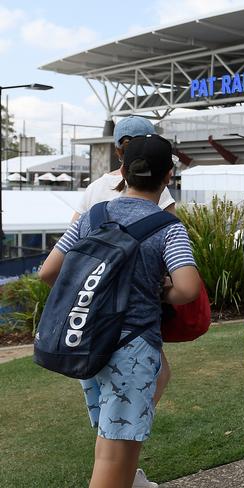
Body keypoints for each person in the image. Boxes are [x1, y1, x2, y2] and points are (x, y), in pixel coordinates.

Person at [39, 133, 201, 488]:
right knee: (116, 449)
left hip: (89, 339)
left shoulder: (93, 217)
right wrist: (161, 292)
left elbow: (48, 271)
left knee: (115, 442)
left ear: (122, 172)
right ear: (168, 177)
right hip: (133, 346)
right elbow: (188, 287)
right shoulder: (167, 228)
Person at [72, 116, 175, 488]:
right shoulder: (160, 205)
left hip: (90, 324)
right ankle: (126, 474)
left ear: (119, 151)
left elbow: (62, 261)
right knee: (145, 388)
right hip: (133, 329)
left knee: (110, 423)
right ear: (166, 175)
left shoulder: (94, 197)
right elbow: (182, 275)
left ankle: (127, 472)